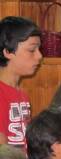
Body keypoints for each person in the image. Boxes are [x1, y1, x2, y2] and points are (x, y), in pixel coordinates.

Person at [0, 16, 42, 147]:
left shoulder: (22, 95)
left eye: (39, 49)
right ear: (8, 51)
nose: (40, 56)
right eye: (31, 50)